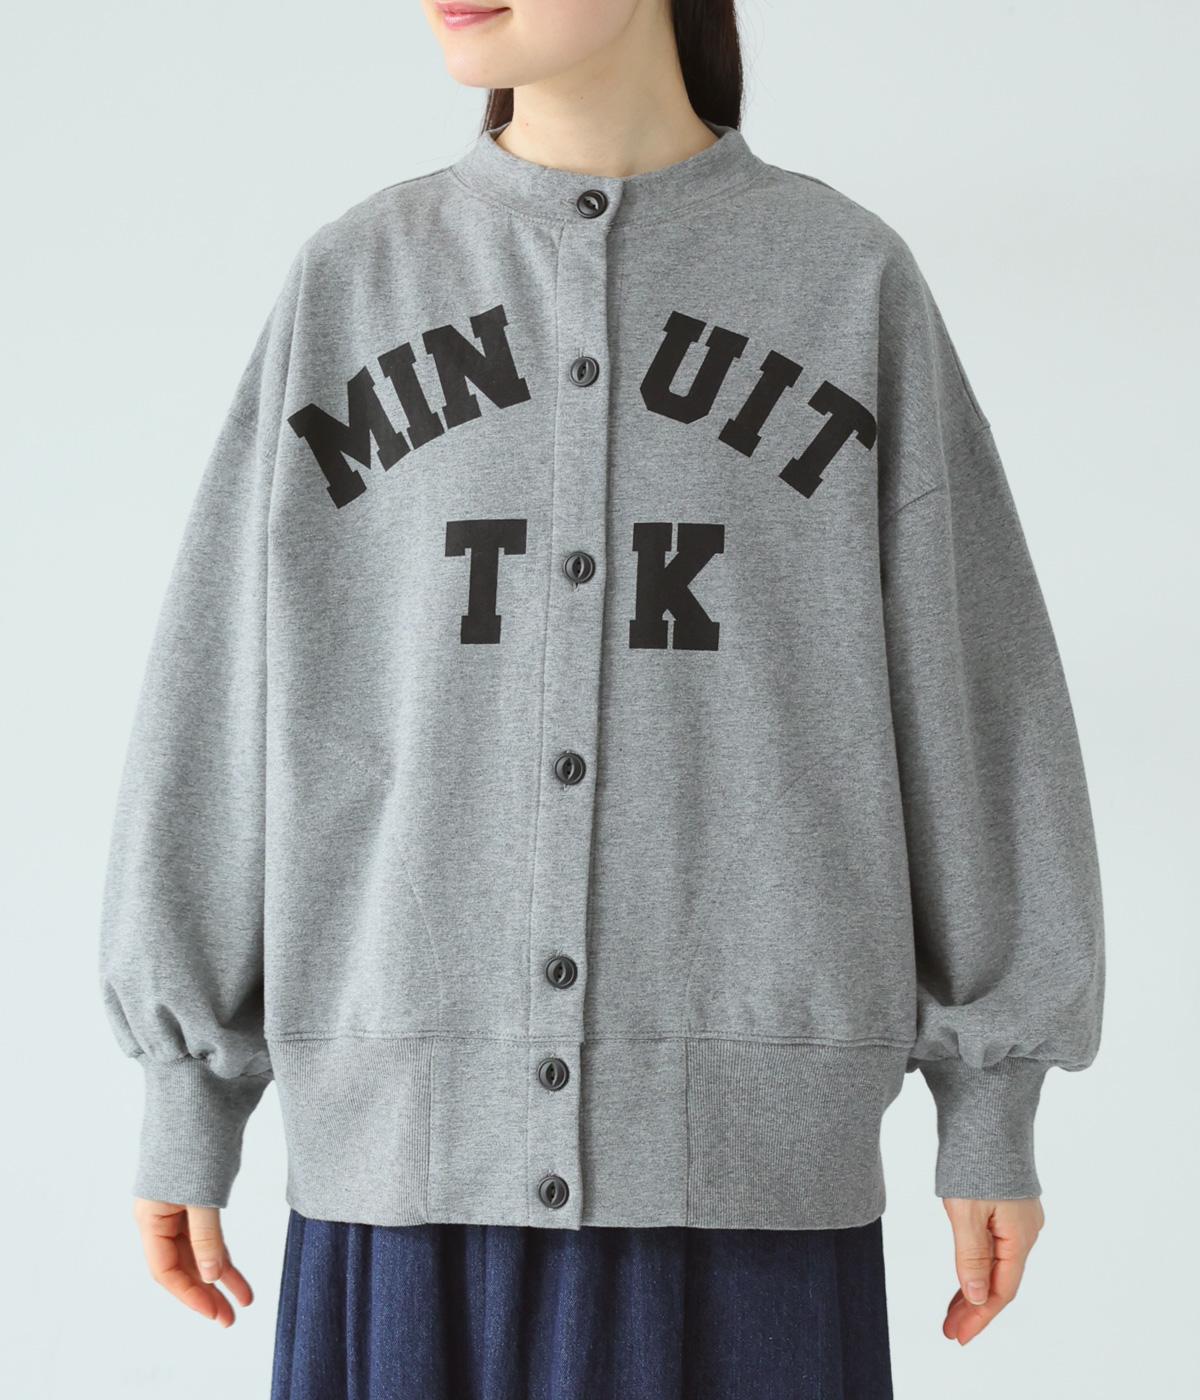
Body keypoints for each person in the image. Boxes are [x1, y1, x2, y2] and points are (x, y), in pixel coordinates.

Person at [96, 2, 1107, 1396]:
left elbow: (975, 695)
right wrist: (187, 1090)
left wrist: (991, 1099)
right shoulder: (357, 280)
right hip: (403, 1195)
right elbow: (224, 685)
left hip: (756, 1217)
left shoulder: (844, 280)